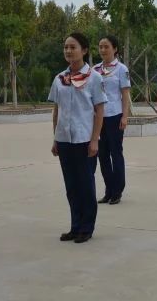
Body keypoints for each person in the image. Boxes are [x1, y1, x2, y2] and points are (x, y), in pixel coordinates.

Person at [46, 32, 106, 244]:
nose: (68, 51)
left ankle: (87, 228)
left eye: (73, 47)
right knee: (71, 186)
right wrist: (55, 138)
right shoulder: (59, 79)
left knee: (85, 185)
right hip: (64, 140)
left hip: (83, 140)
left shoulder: (94, 78)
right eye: (66, 47)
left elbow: (99, 111)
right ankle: (75, 226)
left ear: (84, 50)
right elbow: (56, 110)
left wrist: (95, 140)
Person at [94, 35, 131, 205]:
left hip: (115, 116)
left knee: (116, 153)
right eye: (100, 47)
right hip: (98, 118)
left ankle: (117, 190)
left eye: (106, 46)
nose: (102, 50)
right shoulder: (95, 70)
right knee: (102, 154)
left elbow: (125, 94)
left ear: (115, 49)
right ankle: (108, 190)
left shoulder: (121, 69)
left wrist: (125, 116)